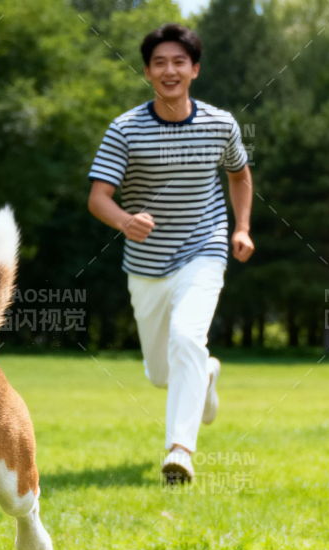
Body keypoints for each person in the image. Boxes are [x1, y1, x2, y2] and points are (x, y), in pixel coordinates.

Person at [87, 23, 254, 486]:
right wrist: (124, 221)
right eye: (159, 62)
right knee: (161, 373)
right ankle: (206, 373)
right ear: (147, 72)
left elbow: (239, 176)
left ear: (195, 69)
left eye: (179, 61)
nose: (169, 70)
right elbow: (98, 196)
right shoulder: (125, 129)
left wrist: (241, 228)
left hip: (205, 248)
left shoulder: (220, 124)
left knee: (186, 338)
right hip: (145, 265)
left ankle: (179, 450)